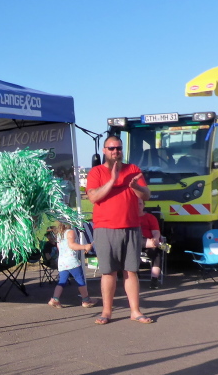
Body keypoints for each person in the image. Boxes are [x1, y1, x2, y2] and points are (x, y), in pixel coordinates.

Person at [86, 135, 154, 324]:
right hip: (105, 228)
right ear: (104, 150)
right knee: (108, 272)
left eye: (118, 148)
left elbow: (147, 195)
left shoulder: (133, 170)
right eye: (111, 148)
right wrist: (112, 180)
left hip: (131, 227)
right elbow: (93, 197)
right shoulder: (96, 172)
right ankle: (107, 312)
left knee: (131, 271)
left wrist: (136, 187)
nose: (115, 151)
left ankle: (135, 311)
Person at [47, 221, 95, 308]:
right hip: (72, 261)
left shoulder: (59, 234)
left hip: (62, 262)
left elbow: (60, 247)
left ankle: (55, 299)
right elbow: (72, 245)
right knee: (80, 280)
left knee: (62, 281)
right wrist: (84, 246)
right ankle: (86, 300)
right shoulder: (70, 232)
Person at [138, 198, 162, 289]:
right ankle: (134, 273)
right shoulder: (129, 217)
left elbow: (156, 232)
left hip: (149, 241)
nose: (137, 206)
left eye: (140, 204)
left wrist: (155, 239)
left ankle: (154, 280)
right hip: (134, 242)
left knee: (156, 252)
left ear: (144, 205)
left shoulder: (150, 217)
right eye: (135, 204)